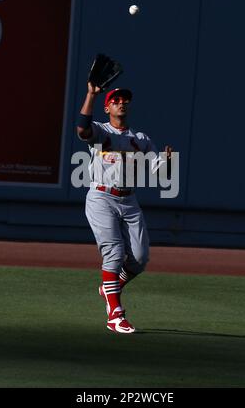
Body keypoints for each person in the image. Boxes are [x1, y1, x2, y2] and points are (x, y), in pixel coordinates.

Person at [77, 82, 172, 334]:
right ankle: (115, 315)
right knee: (115, 253)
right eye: (116, 100)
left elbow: (160, 174)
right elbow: (82, 129)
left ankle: (110, 287)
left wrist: (167, 163)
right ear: (107, 107)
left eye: (124, 100)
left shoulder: (140, 139)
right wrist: (90, 95)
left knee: (139, 259)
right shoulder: (100, 130)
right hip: (101, 196)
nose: (121, 102)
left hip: (129, 200)